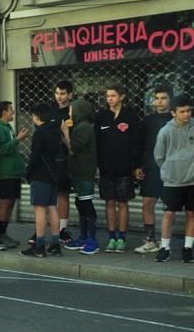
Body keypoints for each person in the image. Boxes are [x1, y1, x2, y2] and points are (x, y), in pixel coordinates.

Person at [94, 84, 141, 253]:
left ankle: (122, 238)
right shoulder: (101, 116)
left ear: (122, 97)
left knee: (122, 203)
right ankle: (112, 237)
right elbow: (96, 142)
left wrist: (135, 165)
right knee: (109, 202)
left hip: (124, 169)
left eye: (113, 95)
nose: (109, 99)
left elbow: (136, 142)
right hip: (106, 169)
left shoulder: (130, 115)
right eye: (108, 96)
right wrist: (97, 165)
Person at [153, 94, 194, 263]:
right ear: (173, 113)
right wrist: (170, 170)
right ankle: (165, 248)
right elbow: (159, 156)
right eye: (182, 111)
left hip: (192, 180)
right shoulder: (165, 131)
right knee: (169, 214)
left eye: (189, 111)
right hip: (172, 181)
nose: (187, 114)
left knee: (191, 214)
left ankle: (187, 248)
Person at [21, 104, 63, 258]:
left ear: (37, 116)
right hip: (54, 175)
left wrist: (28, 174)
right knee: (52, 208)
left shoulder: (40, 133)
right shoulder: (56, 132)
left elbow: (35, 157)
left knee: (40, 210)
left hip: (40, 175)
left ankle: (39, 246)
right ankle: (55, 245)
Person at [135, 86, 173, 254]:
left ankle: (166, 243)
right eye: (157, 98)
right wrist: (137, 165)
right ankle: (150, 240)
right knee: (147, 204)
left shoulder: (176, 119)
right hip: (150, 169)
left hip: (172, 170)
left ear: (170, 99)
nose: (159, 101)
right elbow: (140, 144)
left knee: (170, 208)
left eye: (163, 98)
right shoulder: (148, 120)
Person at [63, 99, 99, 254]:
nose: (69, 112)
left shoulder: (84, 127)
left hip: (84, 172)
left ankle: (92, 241)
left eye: (71, 109)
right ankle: (83, 238)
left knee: (86, 204)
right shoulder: (77, 126)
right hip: (77, 172)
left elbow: (72, 149)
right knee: (80, 203)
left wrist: (65, 132)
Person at [0, 101, 27, 249]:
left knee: (11, 202)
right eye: (11, 109)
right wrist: (18, 139)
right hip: (5, 172)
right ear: (4, 112)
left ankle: (4, 233)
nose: (13, 112)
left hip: (14, 172)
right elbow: (1, 149)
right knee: (5, 202)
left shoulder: (8, 127)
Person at [49, 80, 76, 245]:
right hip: (49, 157)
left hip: (66, 157)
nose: (59, 96)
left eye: (63, 93)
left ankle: (62, 230)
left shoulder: (73, 111)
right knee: (48, 194)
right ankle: (49, 229)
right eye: (57, 93)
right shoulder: (49, 110)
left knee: (63, 194)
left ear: (70, 95)